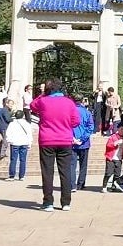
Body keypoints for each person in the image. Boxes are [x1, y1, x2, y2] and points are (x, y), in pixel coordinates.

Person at [30, 78, 80, 212]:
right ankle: (66, 202)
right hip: (65, 140)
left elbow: (32, 106)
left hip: (47, 140)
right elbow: (76, 122)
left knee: (47, 172)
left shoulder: (43, 101)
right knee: (65, 172)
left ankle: (48, 202)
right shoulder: (69, 103)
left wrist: (42, 94)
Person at [71, 94, 95, 191]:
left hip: (72, 142)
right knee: (83, 164)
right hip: (84, 143)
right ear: (82, 101)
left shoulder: (70, 112)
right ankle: (81, 184)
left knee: (71, 165)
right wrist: (82, 139)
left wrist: (73, 138)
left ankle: (72, 185)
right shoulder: (87, 113)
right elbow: (90, 127)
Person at [6, 110, 32, 181]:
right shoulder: (27, 124)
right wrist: (29, 143)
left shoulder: (12, 124)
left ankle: (12, 176)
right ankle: (21, 176)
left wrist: (10, 141)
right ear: (23, 116)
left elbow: (8, 133)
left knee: (13, 159)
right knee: (23, 160)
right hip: (24, 143)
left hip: (14, 143)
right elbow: (29, 134)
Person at [102, 127, 123, 192]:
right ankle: (104, 186)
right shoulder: (113, 137)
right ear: (118, 129)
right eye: (121, 129)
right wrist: (115, 143)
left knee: (117, 174)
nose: (122, 131)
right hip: (111, 158)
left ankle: (114, 186)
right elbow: (108, 145)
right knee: (108, 173)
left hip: (119, 158)